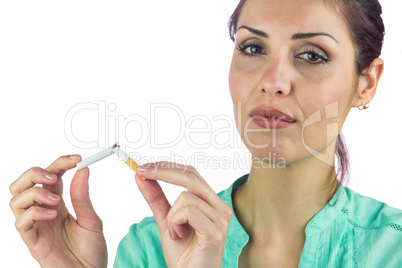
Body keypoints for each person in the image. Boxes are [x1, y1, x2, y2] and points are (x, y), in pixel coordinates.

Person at [9, 0, 402, 267]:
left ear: (366, 83)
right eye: (252, 48)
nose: (273, 81)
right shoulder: (151, 250)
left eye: (312, 55)